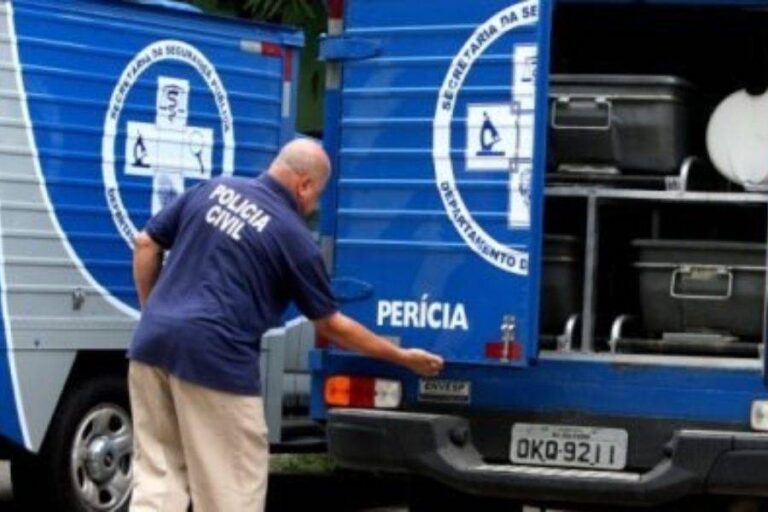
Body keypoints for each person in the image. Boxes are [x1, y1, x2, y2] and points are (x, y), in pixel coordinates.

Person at [127, 138, 444, 512]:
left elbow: (146, 242)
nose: (312, 207)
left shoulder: (213, 188)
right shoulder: (293, 238)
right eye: (316, 197)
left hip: (150, 348)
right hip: (217, 360)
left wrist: (155, 314)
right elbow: (331, 325)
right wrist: (401, 356)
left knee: (158, 484)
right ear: (304, 185)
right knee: (232, 490)